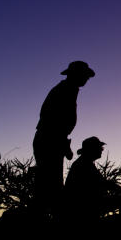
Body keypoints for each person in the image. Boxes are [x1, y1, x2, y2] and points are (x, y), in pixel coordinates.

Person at [32, 60, 94, 219]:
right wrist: (61, 143)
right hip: (49, 141)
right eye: (84, 75)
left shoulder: (69, 90)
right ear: (76, 75)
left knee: (51, 184)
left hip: (52, 140)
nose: (86, 79)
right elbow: (51, 120)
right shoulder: (64, 90)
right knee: (50, 185)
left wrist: (63, 143)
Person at [63, 137, 121, 224]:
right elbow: (106, 184)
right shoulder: (84, 164)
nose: (101, 150)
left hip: (86, 203)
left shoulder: (85, 162)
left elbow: (104, 184)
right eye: (100, 148)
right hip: (83, 206)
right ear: (92, 149)